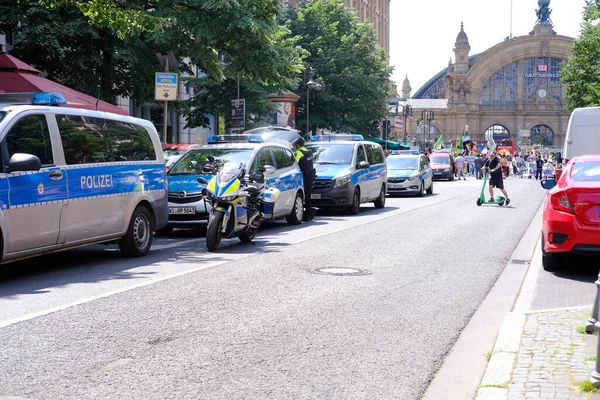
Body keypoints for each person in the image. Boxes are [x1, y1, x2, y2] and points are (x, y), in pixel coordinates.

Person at [294, 137, 316, 221]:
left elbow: (295, 164)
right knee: (308, 196)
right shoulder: (309, 152)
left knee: (302, 195)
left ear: (297, 145)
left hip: (303, 177)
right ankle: (308, 214)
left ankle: (306, 215)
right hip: (311, 176)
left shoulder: (298, 153)